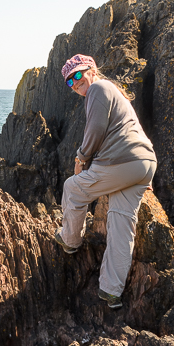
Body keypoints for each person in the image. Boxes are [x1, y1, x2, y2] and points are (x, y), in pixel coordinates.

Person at [54, 54, 157, 310]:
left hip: (121, 162)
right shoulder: (115, 93)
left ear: (92, 70)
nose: (76, 83)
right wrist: (142, 174)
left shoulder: (98, 88)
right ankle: (111, 291)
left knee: (73, 188)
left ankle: (70, 241)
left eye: (78, 75)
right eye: (70, 82)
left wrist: (81, 158)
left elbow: (96, 129)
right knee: (121, 222)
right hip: (144, 164)